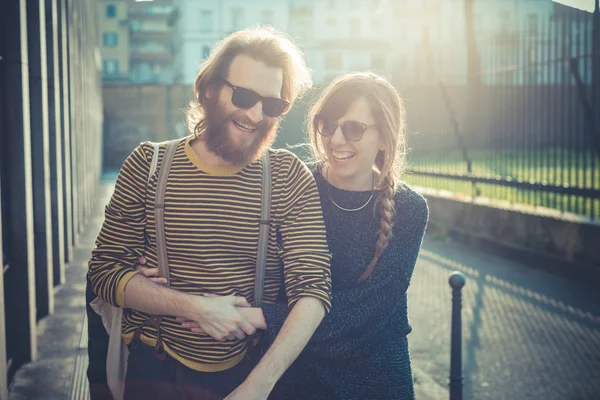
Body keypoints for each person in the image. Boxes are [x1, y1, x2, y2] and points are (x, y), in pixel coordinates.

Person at [87, 26, 333, 400]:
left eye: (272, 105)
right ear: (208, 89)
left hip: (248, 372)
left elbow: (313, 292)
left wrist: (257, 387)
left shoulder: (288, 176)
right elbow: (104, 271)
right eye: (245, 95)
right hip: (152, 368)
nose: (255, 114)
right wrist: (197, 308)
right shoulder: (148, 164)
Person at [177, 72, 428, 399]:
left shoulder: (408, 208)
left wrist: (260, 316)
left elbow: (364, 314)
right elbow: (226, 243)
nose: (336, 140)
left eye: (353, 128)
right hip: (293, 377)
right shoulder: (293, 185)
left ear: (384, 137)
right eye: (327, 124)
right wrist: (160, 260)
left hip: (373, 381)